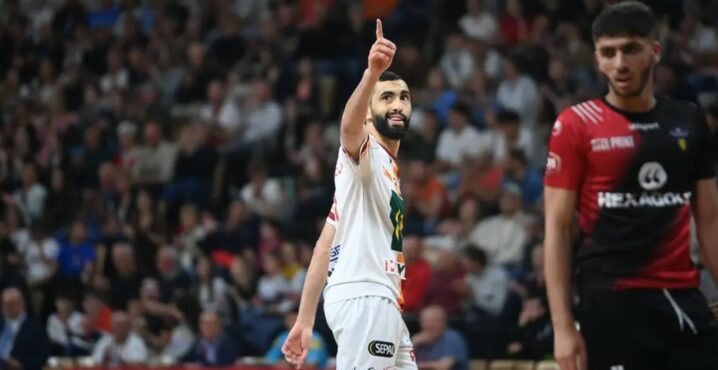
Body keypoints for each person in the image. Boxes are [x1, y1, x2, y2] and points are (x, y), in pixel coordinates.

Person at [543, 2, 718, 370]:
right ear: (597, 60)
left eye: (631, 49)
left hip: (681, 299)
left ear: (654, 52)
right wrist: (562, 327)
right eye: (609, 52)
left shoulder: (688, 120)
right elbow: (557, 230)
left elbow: (710, 222)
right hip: (609, 304)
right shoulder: (576, 124)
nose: (620, 63)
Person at [283, 19, 417, 370]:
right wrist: (372, 74)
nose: (398, 104)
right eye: (386, 97)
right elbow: (347, 129)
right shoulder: (366, 153)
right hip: (366, 298)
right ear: (369, 116)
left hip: (378, 299)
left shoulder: (369, 176)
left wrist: (304, 320)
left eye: (404, 97)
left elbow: (324, 248)